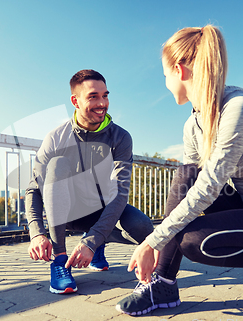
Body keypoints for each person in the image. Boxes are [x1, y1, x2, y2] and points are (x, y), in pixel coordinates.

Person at [116, 25, 243, 315]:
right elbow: (192, 186)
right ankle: (163, 283)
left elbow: (209, 187)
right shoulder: (192, 125)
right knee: (184, 175)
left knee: (194, 242)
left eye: (164, 75)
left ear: (180, 70)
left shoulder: (239, 108)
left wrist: (151, 241)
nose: (166, 83)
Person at [26, 69, 153, 294]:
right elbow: (34, 189)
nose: (102, 103)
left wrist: (91, 242)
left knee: (143, 227)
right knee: (57, 165)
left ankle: (97, 244)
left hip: (103, 208)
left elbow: (121, 193)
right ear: (75, 101)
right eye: (93, 96)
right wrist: (36, 233)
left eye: (105, 95)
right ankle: (60, 261)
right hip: (67, 211)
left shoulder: (120, 137)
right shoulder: (56, 138)